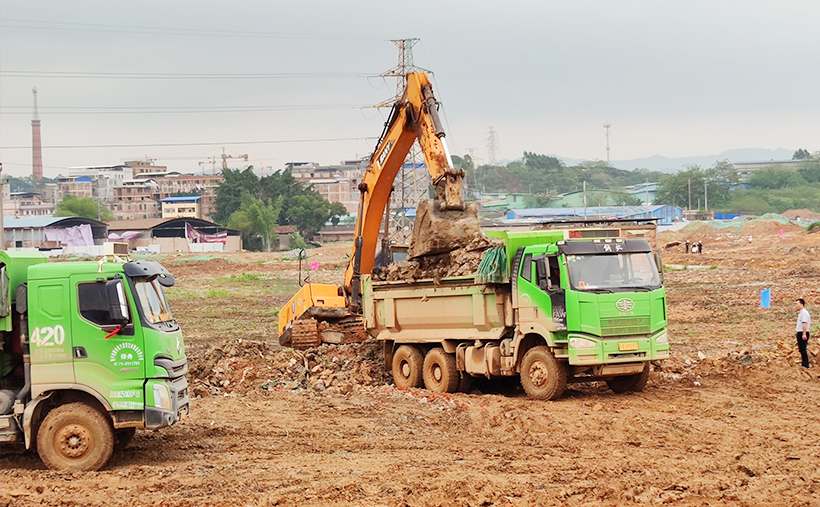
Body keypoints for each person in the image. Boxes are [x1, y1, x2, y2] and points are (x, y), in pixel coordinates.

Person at [796, 298, 811, 368]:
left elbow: (805, 323)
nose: (796, 306)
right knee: (801, 349)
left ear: (802, 304)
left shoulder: (804, 313)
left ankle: (806, 364)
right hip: (801, 332)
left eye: (797, 304)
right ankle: (804, 363)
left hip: (803, 332)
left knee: (803, 349)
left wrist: (804, 334)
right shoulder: (801, 313)